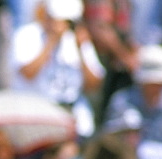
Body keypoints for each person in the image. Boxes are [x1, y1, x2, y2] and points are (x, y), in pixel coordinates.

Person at [11, 0, 105, 139]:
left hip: (74, 117)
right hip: (39, 118)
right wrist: (51, 41)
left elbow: (94, 85)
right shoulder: (28, 34)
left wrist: (81, 49)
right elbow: (27, 74)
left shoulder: (78, 39)